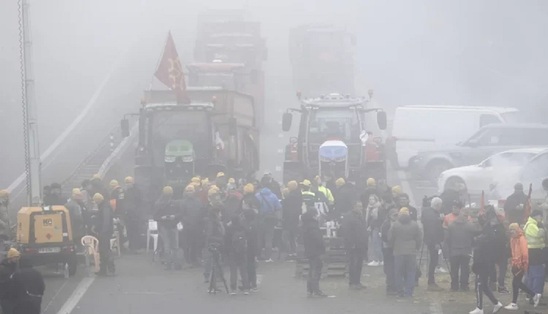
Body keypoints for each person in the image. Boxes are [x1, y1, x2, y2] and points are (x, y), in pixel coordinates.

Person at [469, 207, 503, 314]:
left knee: (480, 283)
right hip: (484, 258)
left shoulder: (493, 228)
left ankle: (480, 307)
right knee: (483, 284)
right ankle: (496, 303)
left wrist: (478, 239)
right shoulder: (490, 226)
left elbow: (490, 239)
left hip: (485, 259)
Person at [504, 223, 540, 310]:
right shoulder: (512, 239)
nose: (512, 231)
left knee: (516, 282)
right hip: (515, 264)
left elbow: (525, 253)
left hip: (521, 264)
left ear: (517, 229)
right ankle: (533, 295)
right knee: (517, 283)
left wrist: (524, 264)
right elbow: (512, 252)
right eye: (510, 229)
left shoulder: (521, 238)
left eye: (513, 229)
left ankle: (515, 303)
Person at [389, 207, 422, 298]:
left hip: (398, 250)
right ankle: (409, 292)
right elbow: (419, 238)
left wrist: (392, 246)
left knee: (398, 272)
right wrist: (417, 247)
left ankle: (400, 292)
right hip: (411, 251)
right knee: (411, 272)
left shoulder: (395, 225)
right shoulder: (414, 225)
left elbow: (390, 238)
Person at [446, 210, 481, 292]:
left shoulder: (451, 226)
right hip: (466, 250)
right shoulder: (470, 226)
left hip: (454, 250)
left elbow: (447, 239)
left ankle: (454, 286)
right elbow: (476, 234)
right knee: (465, 269)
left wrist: (450, 247)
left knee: (454, 269)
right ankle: (464, 286)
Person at [153, 186, 183, 271]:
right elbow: (155, 216)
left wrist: (173, 216)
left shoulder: (158, 203)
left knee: (169, 246)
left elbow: (180, 214)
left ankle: (170, 264)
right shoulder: (162, 203)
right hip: (167, 226)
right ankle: (174, 264)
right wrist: (163, 218)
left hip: (168, 226)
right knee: (173, 246)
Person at [341, 203, 368, 290]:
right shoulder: (349, 216)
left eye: (361, 206)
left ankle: (357, 281)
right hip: (353, 244)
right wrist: (351, 243)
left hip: (361, 244)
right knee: (353, 263)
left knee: (359, 263)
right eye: (358, 206)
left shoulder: (360, 216)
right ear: (354, 207)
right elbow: (346, 231)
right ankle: (352, 282)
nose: (360, 208)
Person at [302, 209, 327, 297]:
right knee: (316, 270)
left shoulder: (306, 225)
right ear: (313, 216)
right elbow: (318, 239)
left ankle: (310, 289)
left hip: (309, 250)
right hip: (316, 251)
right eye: (317, 215)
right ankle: (316, 290)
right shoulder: (313, 226)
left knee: (311, 269)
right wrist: (323, 245)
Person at [421, 197, 444, 290]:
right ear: (437, 205)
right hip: (433, 240)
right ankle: (431, 280)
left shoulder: (426, 211)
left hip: (428, 239)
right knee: (434, 260)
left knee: (433, 260)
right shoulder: (434, 215)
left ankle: (431, 279)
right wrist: (436, 242)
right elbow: (433, 229)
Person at [225, 213, 250, 295]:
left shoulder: (229, 229)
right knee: (243, 270)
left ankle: (233, 289)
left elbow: (226, 241)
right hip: (242, 251)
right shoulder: (243, 228)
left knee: (233, 270)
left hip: (232, 251)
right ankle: (246, 288)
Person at [255, 183, 281, 262]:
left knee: (259, 238)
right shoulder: (273, 196)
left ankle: (258, 256)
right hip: (270, 220)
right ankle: (268, 257)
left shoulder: (257, 196)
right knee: (269, 238)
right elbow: (279, 207)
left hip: (259, 219)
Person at [524, 209, 545, 300]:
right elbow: (539, 234)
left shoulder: (531, 224)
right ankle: (535, 294)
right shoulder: (532, 225)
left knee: (532, 274)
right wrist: (541, 227)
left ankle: (530, 293)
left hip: (533, 251)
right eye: (540, 216)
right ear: (537, 216)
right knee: (537, 274)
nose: (541, 218)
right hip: (534, 252)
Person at [92, 193, 115, 276]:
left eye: (95, 200)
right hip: (104, 231)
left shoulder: (104, 207)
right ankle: (104, 270)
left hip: (104, 232)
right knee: (103, 250)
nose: (95, 202)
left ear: (98, 199)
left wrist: (102, 231)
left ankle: (109, 269)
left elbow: (106, 221)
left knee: (105, 250)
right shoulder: (104, 206)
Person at [181, 184, 204, 267]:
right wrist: (186, 222)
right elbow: (181, 215)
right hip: (187, 227)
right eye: (188, 191)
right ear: (185, 192)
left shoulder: (198, 201)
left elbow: (201, 213)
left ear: (194, 192)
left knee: (196, 244)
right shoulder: (183, 202)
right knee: (186, 245)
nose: (189, 192)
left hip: (197, 227)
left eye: (191, 191)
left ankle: (194, 260)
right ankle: (187, 261)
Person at [123, 176, 143, 253]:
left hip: (135, 215)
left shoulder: (137, 191)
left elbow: (139, 203)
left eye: (129, 182)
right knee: (129, 231)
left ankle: (135, 247)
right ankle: (131, 246)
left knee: (135, 231)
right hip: (128, 215)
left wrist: (136, 212)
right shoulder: (126, 191)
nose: (128, 184)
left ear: (132, 182)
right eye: (126, 183)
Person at [282, 181, 302, 258]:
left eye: (288, 186)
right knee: (293, 236)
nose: (288, 187)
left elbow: (286, 209)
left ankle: (290, 252)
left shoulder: (290, 197)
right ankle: (294, 252)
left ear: (292, 187)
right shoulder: (299, 195)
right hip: (295, 219)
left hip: (289, 219)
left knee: (287, 236)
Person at [381, 208, 398, 295]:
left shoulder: (398, 223)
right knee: (389, 267)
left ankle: (395, 285)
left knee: (396, 267)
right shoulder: (386, 224)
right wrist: (390, 241)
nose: (396, 217)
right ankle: (390, 286)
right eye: (394, 215)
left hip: (396, 248)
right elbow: (384, 236)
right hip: (388, 248)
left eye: (397, 215)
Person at [0, 248, 20, 314]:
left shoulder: (16, 265)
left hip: (15, 294)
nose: (17, 259)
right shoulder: (2, 268)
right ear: (10, 257)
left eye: (18, 257)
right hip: (5, 294)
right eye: (15, 257)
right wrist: (9, 279)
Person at [366, 194, 384, 266]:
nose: (371, 201)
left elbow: (377, 219)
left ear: (376, 200)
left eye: (372, 199)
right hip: (371, 228)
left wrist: (371, 226)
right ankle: (377, 259)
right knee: (373, 244)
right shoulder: (369, 208)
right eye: (370, 199)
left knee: (377, 244)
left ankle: (379, 260)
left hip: (376, 228)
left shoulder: (378, 208)